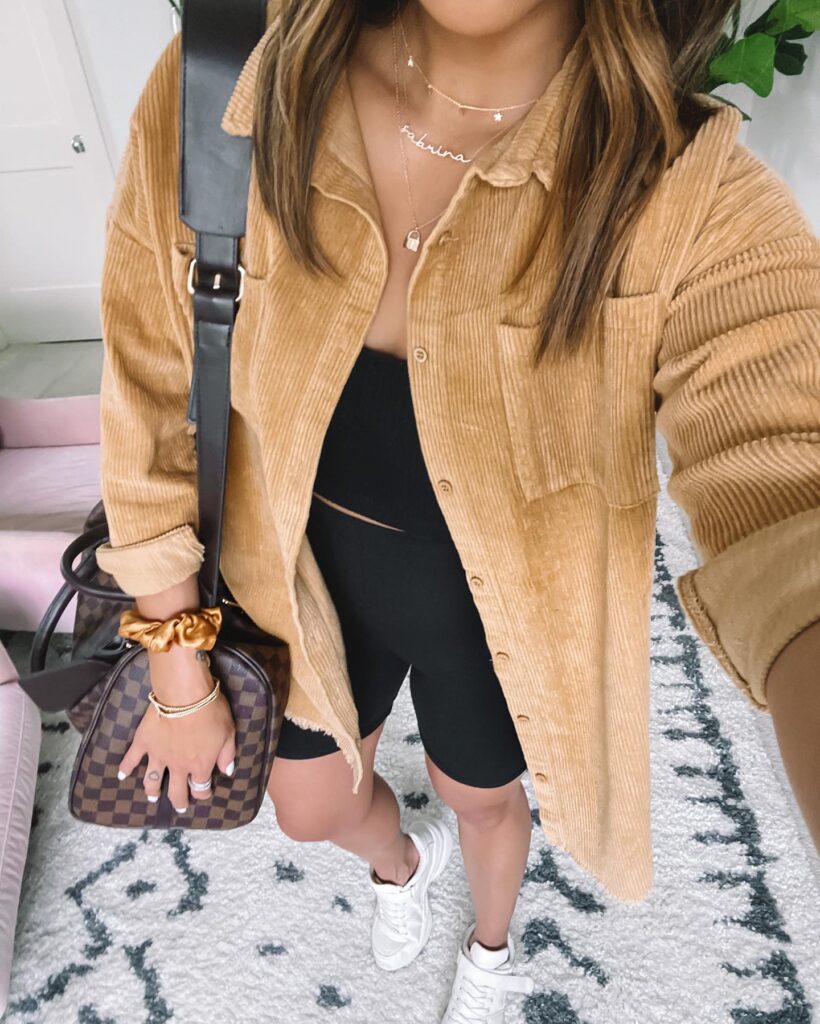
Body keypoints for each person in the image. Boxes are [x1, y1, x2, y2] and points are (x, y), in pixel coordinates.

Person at [94, 0, 820, 1019]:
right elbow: (147, 389)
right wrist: (177, 668)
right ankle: (400, 865)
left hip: (492, 623)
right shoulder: (225, 75)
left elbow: (787, 482)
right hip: (303, 591)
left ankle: (488, 945)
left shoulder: (689, 199)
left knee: (487, 803)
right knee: (307, 811)